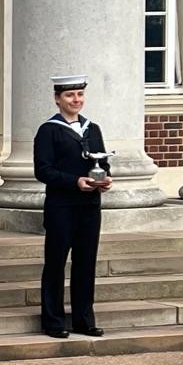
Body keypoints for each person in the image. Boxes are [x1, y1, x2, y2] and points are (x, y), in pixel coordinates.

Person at [35, 74, 112, 338]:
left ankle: (83, 319)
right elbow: (43, 170)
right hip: (62, 206)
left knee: (85, 262)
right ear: (58, 99)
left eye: (79, 94)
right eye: (69, 95)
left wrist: (106, 179)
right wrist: (74, 181)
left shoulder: (93, 128)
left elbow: (103, 162)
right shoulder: (49, 130)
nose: (76, 100)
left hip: (89, 205)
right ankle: (53, 321)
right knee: (56, 263)